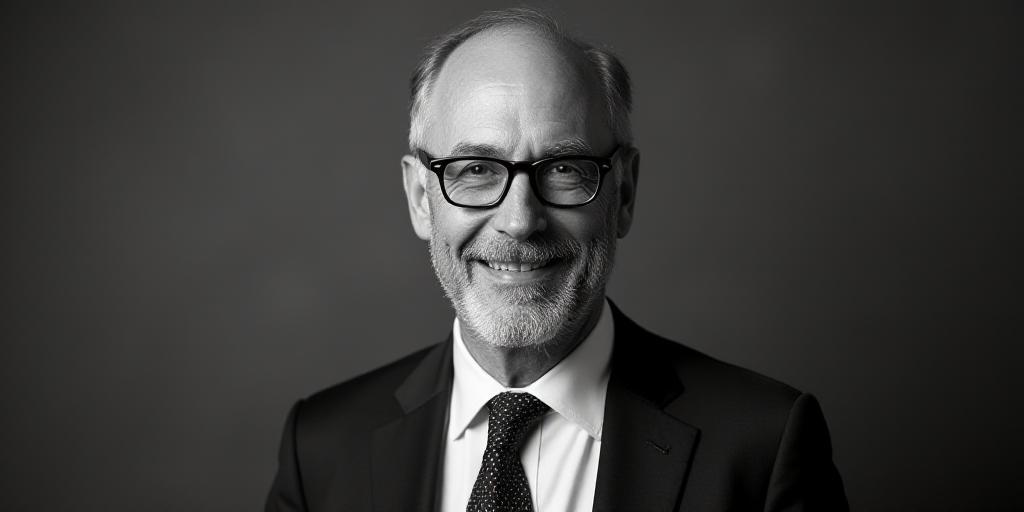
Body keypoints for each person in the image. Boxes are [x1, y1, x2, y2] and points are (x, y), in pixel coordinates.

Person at [265, 8, 848, 512]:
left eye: (564, 170)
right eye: (474, 171)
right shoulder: (321, 447)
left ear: (622, 194)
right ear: (421, 199)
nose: (519, 220)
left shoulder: (762, 447)